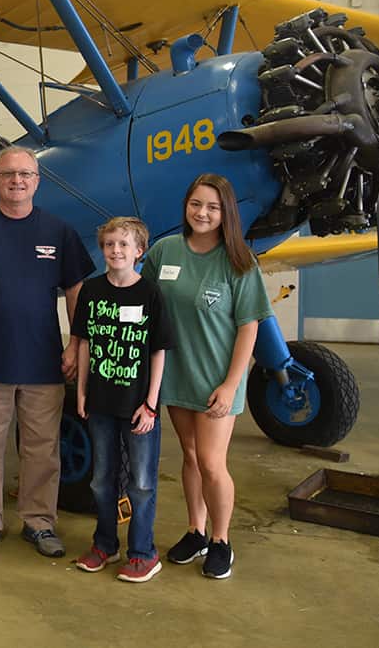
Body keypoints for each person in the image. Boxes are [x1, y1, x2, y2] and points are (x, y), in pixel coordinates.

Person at [0, 147, 94, 558]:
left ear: (37, 180)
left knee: (42, 448)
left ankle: (39, 521)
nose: (17, 181)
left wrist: (75, 343)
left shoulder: (58, 232)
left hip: (44, 360)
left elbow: (76, 290)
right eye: (8, 174)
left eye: (25, 174)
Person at [142, 173, 271, 580]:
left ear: (225, 213)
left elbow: (249, 326)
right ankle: (196, 531)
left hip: (217, 380)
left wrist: (232, 384)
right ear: (186, 206)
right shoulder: (164, 252)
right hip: (176, 377)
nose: (202, 213)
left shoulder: (239, 262)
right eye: (196, 204)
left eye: (212, 207)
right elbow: (142, 302)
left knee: (213, 463)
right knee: (191, 457)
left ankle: (221, 540)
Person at [71, 217, 172, 583]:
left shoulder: (150, 294)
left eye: (124, 245)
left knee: (141, 483)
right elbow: (83, 344)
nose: (116, 251)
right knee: (102, 480)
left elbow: (158, 351)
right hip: (99, 403)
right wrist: (81, 391)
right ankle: (105, 544)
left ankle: (143, 552)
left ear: (139, 252)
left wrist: (150, 404)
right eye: (110, 244)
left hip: (138, 408)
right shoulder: (92, 290)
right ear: (103, 249)